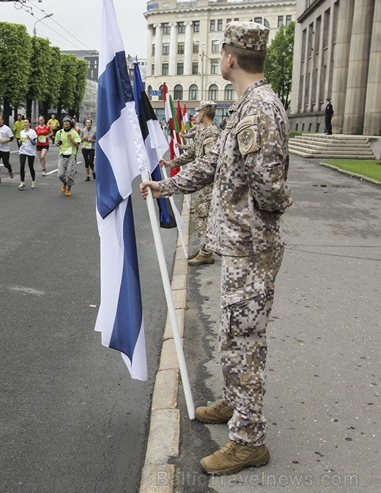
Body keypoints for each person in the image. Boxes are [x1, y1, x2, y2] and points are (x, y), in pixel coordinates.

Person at [140, 21, 292, 476]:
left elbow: (269, 188)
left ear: (230, 57)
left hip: (252, 250)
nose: (220, 57)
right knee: (233, 336)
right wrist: (163, 186)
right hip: (240, 249)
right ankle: (236, 402)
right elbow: (211, 166)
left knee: (244, 341)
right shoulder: (246, 106)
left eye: (222, 50)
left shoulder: (259, 110)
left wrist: (272, 209)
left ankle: (249, 442)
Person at [160, 101, 222, 267]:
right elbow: (192, 153)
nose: (195, 115)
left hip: (209, 185)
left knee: (203, 216)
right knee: (200, 215)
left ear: (204, 113)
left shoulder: (213, 134)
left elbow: (209, 164)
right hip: (202, 184)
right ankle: (205, 249)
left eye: (198, 111)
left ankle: (206, 253)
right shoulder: (204, 132)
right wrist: (170, 163)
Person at [54, 116, 81, 197]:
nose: (66, 123)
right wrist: (57, 144)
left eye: (67, 122)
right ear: (63, 123)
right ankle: (64, 183)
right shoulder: (59, 133)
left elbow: (77, 145)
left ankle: (69, 188)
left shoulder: (74, 133)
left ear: (70, 123)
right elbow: (56, 142)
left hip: (71, 155)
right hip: (62, 155)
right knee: (60, 174)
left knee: (69, 174)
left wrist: (71, 139)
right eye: (64, 122)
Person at [17, 118, 37, 190]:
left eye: (26, 122)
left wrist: (30, 138)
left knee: (30, 166)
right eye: (24, 122)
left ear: (29, 124)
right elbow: (21, 142)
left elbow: (34, 143)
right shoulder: (21, 132)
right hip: (22, 151)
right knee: (22, 166)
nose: (25, 123)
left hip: (31, 151)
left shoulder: (33, 132)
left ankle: (33, 181)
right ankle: (22, 182)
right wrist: (20, 141)